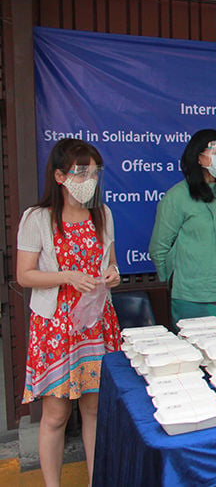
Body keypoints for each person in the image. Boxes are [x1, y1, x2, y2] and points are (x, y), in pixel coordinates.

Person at [16, 138, 121, 486]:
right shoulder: (38, 218)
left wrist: (113, 275)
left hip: (95, 323)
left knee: (94, 407)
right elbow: (23, 274)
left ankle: (96, 479)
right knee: (57, 413)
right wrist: (65, 277)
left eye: (93, 172)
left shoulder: (102, 214)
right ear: (60, 176)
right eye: (81, 172)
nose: (88, 179)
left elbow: (112, 266)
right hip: (56, 327)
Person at [149, 129, 216, 325]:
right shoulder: (176, 197)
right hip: (194, 298)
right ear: (199, 157)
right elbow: (159, 248)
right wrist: (179, 282)